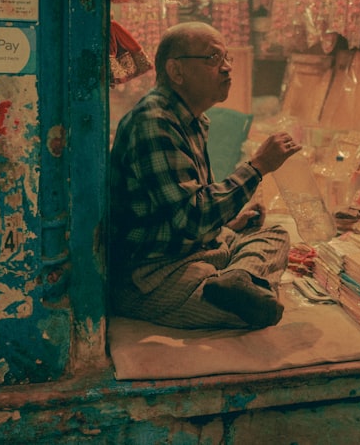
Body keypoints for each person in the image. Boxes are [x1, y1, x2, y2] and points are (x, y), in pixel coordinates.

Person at [107, 21, 302, 330]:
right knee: (265, 310)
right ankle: (237, 283)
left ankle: (237, 279)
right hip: (151, 274)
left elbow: (188, 209)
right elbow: (192, 217)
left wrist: (227, 224)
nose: (226, 69)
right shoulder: (153, 121)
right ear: (176, 71)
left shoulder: (191, 120)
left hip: (190, 251)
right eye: (213, 59)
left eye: (227, 59)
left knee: (275, 235)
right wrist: (258, 166)